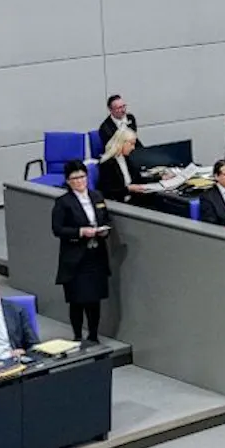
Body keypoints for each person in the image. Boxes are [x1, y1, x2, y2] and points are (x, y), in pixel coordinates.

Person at [51, 160, 110, 343]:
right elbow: (57, 229)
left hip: (96, 254)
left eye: (82, 176)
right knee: (77, 299)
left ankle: (93, 334)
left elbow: (105, 218)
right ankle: (77, 334)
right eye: (75, 178)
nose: (79, 181)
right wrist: (80, 232)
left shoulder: (97, 196)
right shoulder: (63, 202)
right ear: (68, 181)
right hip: (76, 257)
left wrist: (104, 230)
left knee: (94, 299)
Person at [96, 126, 152, 205]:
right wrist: (128, 189)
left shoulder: (126, 159)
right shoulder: (107, 164)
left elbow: (138, 178)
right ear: (121, 142)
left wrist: (160, 178)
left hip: (133, 199)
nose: (133, 148)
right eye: (131, 144)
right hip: (121, 205)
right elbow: (107, 192)